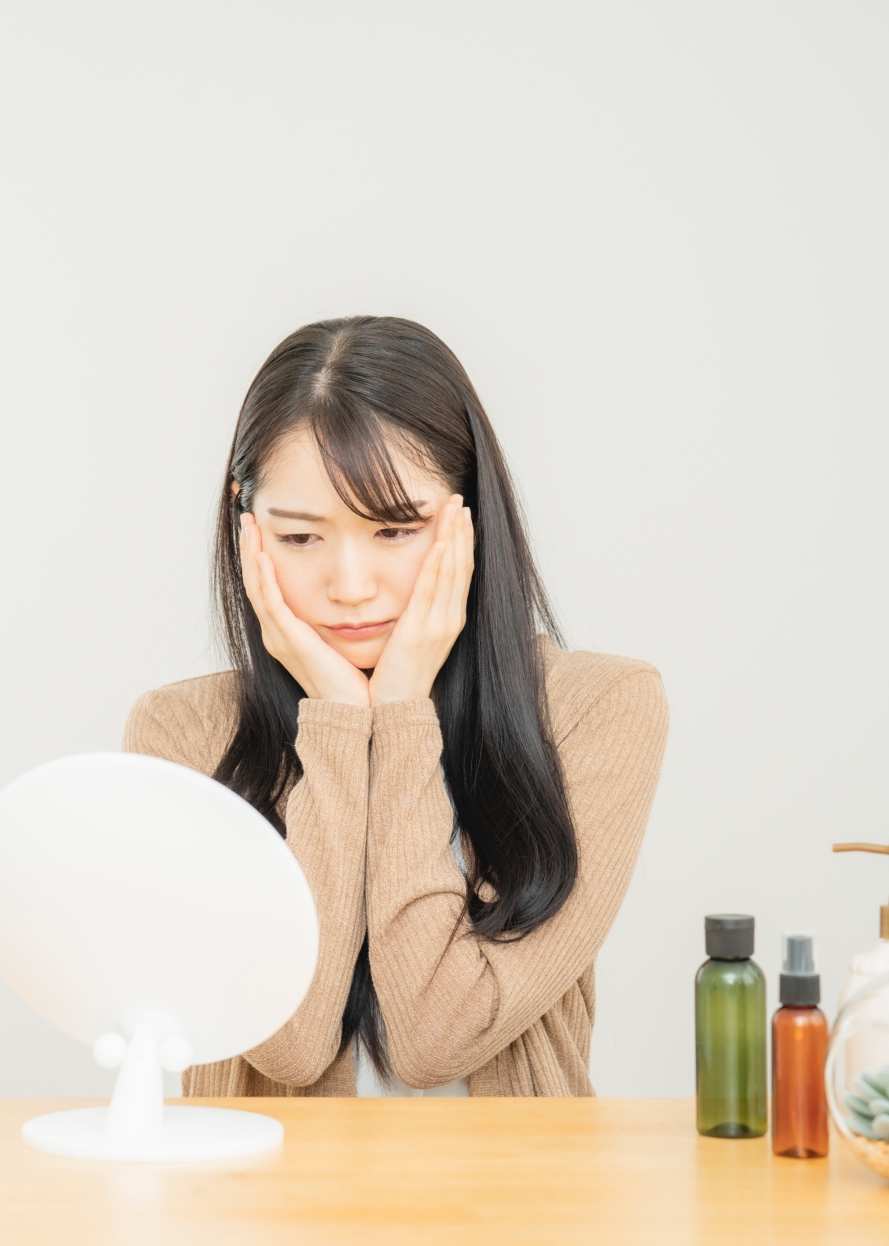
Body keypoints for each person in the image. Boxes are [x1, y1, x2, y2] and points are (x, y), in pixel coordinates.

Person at [123, 316, 668, 1097]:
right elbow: (288, 1042)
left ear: (470, 513)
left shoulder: (598, 710)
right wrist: (341, 724)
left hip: (510, 1182)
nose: (351, 586)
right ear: (247, 527)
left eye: (395, 530)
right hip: (270, 1184)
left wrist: (405, 712)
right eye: (301, 538)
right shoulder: (181, 735)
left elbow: (437, 1039)